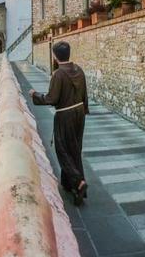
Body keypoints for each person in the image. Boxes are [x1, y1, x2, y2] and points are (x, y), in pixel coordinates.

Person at [30, 41, 89, 205]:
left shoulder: (58, 74)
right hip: (79, 113)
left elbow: (52, 98)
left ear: (55, 56)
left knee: (62, 150)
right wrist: (84, 110)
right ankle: (68, 184)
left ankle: (78, 182)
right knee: (75, 149)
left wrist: (35, 94)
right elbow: (85, 93)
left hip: (65, 115)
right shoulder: (79, 70)